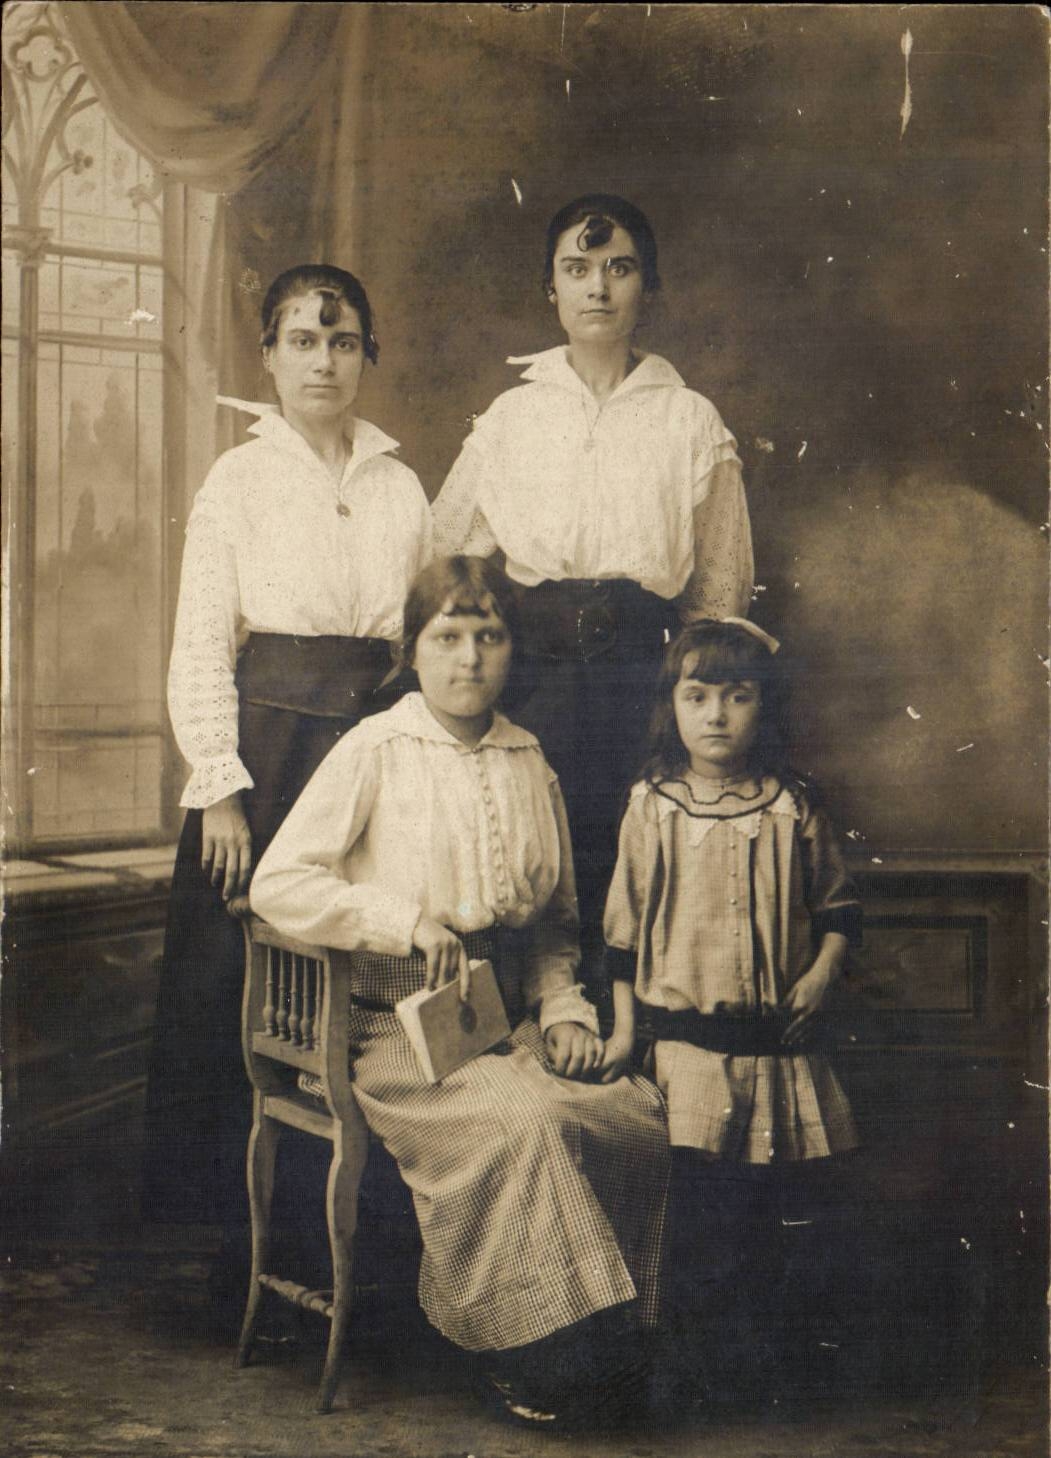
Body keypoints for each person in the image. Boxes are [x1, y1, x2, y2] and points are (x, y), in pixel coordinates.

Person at [250, 556, 670, 1427]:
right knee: (525, 1126)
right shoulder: (375, 747)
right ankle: (528, 1352)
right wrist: (400, 920)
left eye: (490, 636)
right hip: (387, 1027)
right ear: (412, 650)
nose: (470, 657)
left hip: (501, 1018)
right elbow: (278, 883)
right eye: (448, 636)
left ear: (513, 650)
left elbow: (556, 922)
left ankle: (604, 1344)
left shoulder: (528, 759)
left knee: (628, 1111)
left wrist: (562, 1013)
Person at [142, 265, 432, 1313]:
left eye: (343, 340)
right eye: (302, 340)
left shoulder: (401, 485)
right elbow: (199, 643)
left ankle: (363, 1255)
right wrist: (216, 786)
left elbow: (418, 637)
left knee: (359, 991)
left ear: (367, 356)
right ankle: (241, 1257)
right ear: (267, 356)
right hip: (263, 762)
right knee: (248, 997)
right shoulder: (240, 480)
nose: (323, 360)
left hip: (366, 755)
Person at [432, 193, 754, 990]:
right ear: (550, 289)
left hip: (639, 680)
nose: (598, 289)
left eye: (619, 268)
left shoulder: (687, 419)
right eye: (576, 270)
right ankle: (531, 1035)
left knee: (628, 855)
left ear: (648, 286)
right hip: (529, 677)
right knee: (521, 852)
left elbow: (718, 592)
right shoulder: (511, 418)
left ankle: (630, 1049)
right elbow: (450, 563)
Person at [601, 619, 862, 1401]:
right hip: (686, 1052)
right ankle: (690, 1376)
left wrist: (821, 973)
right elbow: (620, 934)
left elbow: (838, 908)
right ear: (671, 706)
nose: (716, 715)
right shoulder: (652, 805)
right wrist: (622, 1030)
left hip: (779, 1049)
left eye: (737, 696)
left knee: (773, 1217)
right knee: (697, 1216)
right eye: (697, 696)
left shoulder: (792, 805)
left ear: (763, 706)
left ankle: (767, 1377)